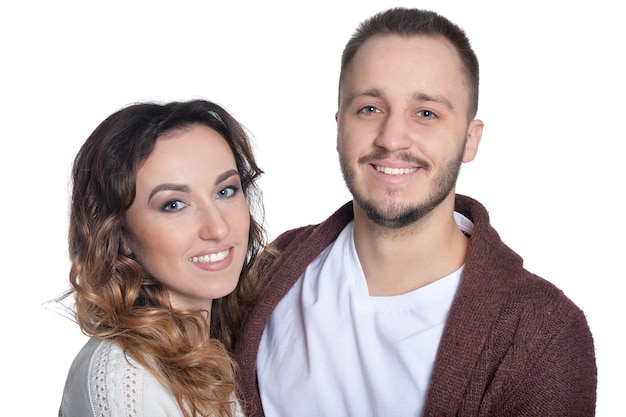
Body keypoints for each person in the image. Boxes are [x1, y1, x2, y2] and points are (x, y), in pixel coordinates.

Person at [234, 7, 597, 417]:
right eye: (370, 108)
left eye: (426, 113)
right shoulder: (271, 272)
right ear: (339, 128)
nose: (391, 138)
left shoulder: (543, 335)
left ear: (469, 141)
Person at [58, 99, 265, 417]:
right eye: (174, 205)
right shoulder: (128, 380)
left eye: (225, 191)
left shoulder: (225, 348)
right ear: (120, 234)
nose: (218, 228)